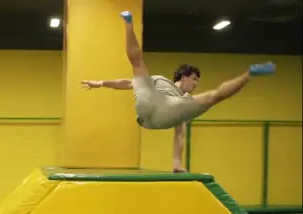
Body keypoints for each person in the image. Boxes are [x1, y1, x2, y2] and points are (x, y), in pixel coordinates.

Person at [81, 10, 276, 173]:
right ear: (184, 76)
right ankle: (128, 24)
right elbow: (126, 83)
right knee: (138, 64)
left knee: (214, 96)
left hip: (167, 109)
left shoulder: (185, 100)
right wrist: (100, 83)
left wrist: (176, 163)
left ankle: (249, 74)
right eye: (194, 79)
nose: (196, 84)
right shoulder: (160, 79)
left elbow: (180, 134)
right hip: (152, 101)